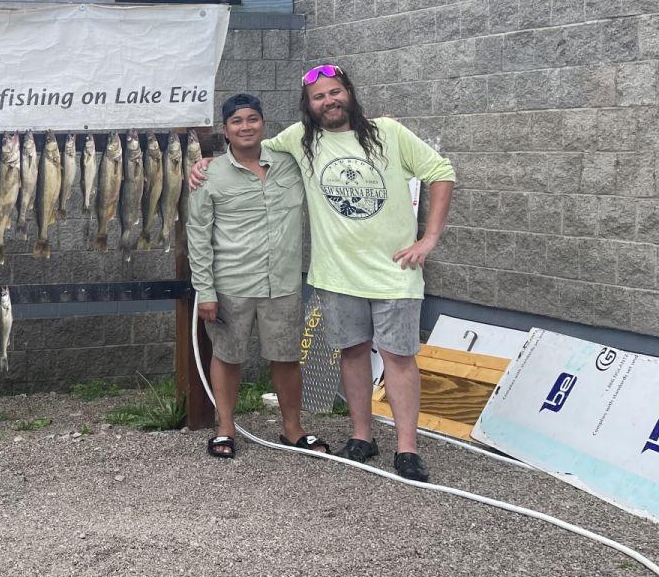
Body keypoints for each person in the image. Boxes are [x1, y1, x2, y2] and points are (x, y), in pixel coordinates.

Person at [190, 64, 456, 481]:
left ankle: (407, 448)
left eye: (335, 92)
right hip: (334, 275)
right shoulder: (300, 140)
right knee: (351, 353)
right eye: (319, 96)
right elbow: (243, 152)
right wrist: (206, 162)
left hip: (393, 271)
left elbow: (441, 173)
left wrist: (429, 238)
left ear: (348, 93)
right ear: (308, 105)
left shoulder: (386, 132)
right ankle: (361, 437)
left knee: (398, 358)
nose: (329, 101)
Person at [186, 93, 327, 460]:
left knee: (286, 357)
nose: (245, 126)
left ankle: (292, 428)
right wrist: (205, 291)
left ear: (263, 124)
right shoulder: (209, 175)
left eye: (252, 119)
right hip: (231, 283)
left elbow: (332, 143)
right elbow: (198, 235)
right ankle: (225, 428)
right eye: (237, 121)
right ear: (225, 130)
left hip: (282, 283)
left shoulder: (291, 164)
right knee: (227, 356)